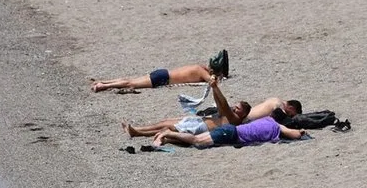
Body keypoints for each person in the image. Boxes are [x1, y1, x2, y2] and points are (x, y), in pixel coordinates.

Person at [121, 77, 303, 137]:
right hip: (200, 121)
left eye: (237, 108)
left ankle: (137, 132)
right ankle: (138, 129)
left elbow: (222, 103)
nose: (234, 107)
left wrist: (216, 87)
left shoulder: (235, 120)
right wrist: (214, 87)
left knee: (167, 127)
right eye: (236, 106)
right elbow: (221, 104)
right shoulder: (234, 115)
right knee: (165, 122)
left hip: (201, 127)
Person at [91, 51, 227, 92]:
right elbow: (211, 81)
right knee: (130, 84)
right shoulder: (201, 71)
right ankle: (103, 86)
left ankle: (104, 82)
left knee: (130, 80)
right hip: (163, 79)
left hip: (163, 73)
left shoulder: (199, 67)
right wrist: (216, 76)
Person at [152, 115, 308, 148]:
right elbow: (295, 135)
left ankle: (167, 139)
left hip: (231, 131)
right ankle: (167, 134)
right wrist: (301, 131)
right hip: (232, 134)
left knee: (196, 141)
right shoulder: (277, 127)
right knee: (197, 141)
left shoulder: (267, 119)